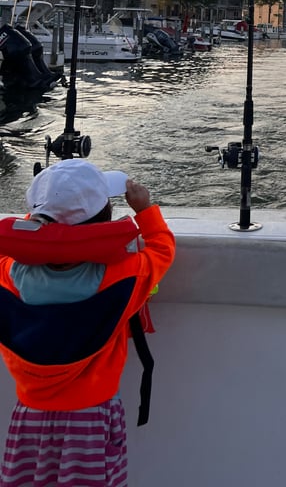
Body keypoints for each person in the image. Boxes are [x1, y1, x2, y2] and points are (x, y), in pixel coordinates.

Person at [0, 159, 175, 487]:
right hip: (91, 419)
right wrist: (145, 210)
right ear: (105, 219)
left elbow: (22, 239)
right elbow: (162, 249)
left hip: (29, 416)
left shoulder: (5, 276)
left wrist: (45, 224)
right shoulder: (121, 277)